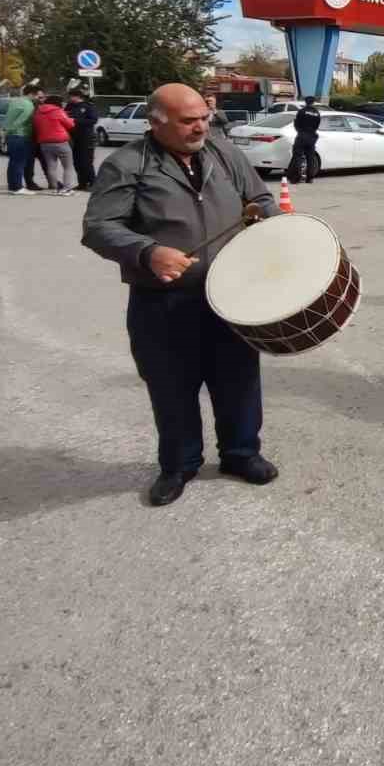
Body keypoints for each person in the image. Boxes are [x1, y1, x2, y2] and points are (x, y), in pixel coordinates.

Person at [82, 83, 280, 507]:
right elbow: (98, 227)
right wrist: (147, 252)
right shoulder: (126, 164)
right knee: (171, 387)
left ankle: (242, 454)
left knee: (239, 381)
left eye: (204, 117)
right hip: (163, 302)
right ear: (157, 123)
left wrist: (273, 225)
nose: (200, 127)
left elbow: (260, 198)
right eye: (188, 121)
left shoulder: (224, 152)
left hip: (232, 296)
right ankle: (179, 465)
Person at [1, 84, 43, 196]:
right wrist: (9, 130)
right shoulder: (28, 105)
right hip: (21, 136)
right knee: (19, 163)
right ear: (31, 94)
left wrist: (5, 131)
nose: (38, 99)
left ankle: (12, 186)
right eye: (37, 96)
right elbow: (21, 120)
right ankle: (17, 188)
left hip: (12, 137)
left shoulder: (15, 101)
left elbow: (8, 117)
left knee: (13, 162)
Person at [32, 93, 77, 195]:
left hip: (44, 143)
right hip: (60, 142)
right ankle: (67, 189)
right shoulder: (58, 111)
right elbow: (70, 125)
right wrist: (70, 118)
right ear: (57, 103)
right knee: (68, 166)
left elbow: (35, 126)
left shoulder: (38, 112)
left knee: (51, 167)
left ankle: (55, 188)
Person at [65, 88, 99, 190]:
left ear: (77, 96)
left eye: (71, 97)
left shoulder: (88, 106)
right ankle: (82, 183)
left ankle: (93, 184)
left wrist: (75, 120)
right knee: (77, 162)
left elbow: (93, 120)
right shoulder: (69, 106)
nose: (70, 99)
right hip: (73, 138)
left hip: (86, 137)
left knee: (86, 162)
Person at [291, 96, 321, 183]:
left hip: (302, 136)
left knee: (298, 156)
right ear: (313, 102)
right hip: (312, 137)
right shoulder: (317, 113)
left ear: (305, 102)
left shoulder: (302, 111)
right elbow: (317, 125)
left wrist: (300, 131)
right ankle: (310, 178)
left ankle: (296, 178)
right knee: (310, 157)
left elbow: (297, 123)